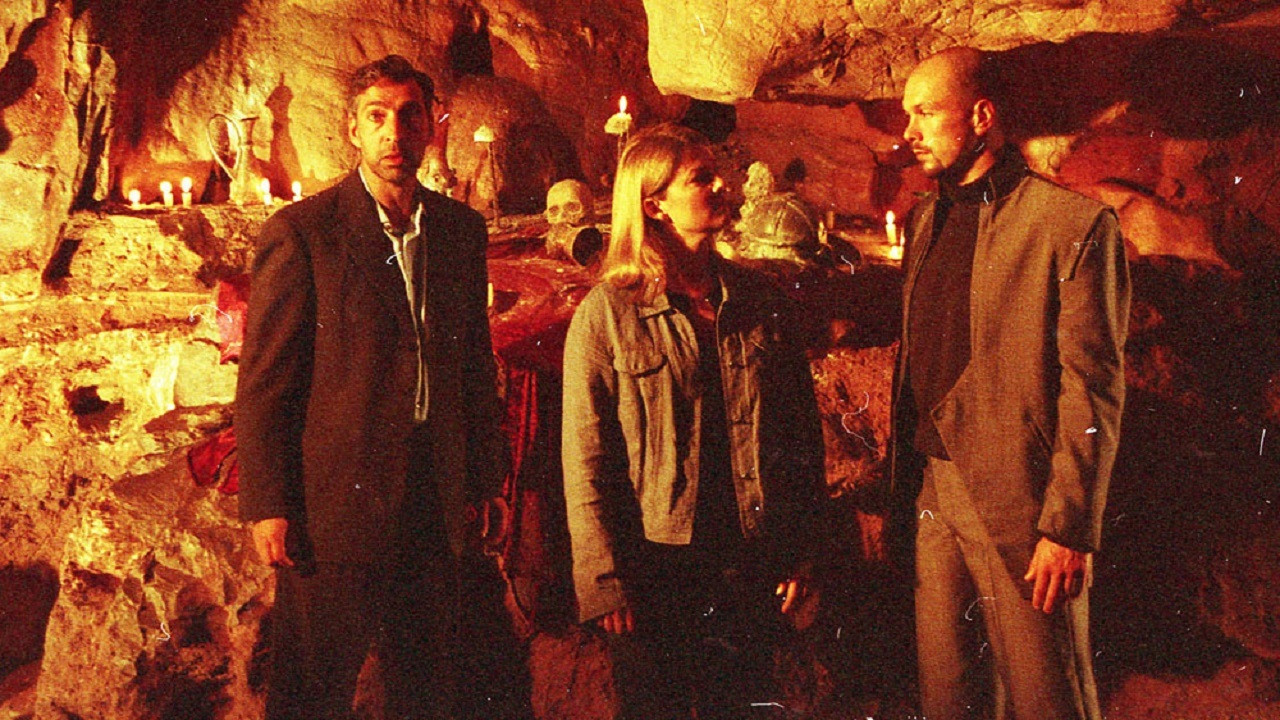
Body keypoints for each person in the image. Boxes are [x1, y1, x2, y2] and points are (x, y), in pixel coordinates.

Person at [235, 54, 508, 720]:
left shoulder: (459, 231)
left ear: (431, 126)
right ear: (352, 129)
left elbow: (474, 364)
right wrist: (269, 501)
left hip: (431, 496)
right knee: (311, 691)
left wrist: (485, 477)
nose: (394, 133)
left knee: (426, 687)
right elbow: (266, 380)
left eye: (409, 116)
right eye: (377, 117)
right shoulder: (304, 233)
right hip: (335, 506)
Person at [889, 48, 1130, 720]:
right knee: (949, 698)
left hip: (1020, 501)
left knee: (1047, 698)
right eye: (908, 113)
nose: (909, 131)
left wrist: (1069, 527)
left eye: (925, 113)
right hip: (933, 489)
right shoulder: (925, 219)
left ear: (981, 117)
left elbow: (1094, 387)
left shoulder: (1072, 225)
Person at [561, 123, 827, 719]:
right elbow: (586, 459)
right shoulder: (607, 316)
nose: (721, 186)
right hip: (655, 565)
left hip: (749, 556)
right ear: (654, 204)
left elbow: (802, 441)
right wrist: (603, 582)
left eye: (716, 174)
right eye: (700, 179)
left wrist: (802, 553)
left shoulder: (760, 301)